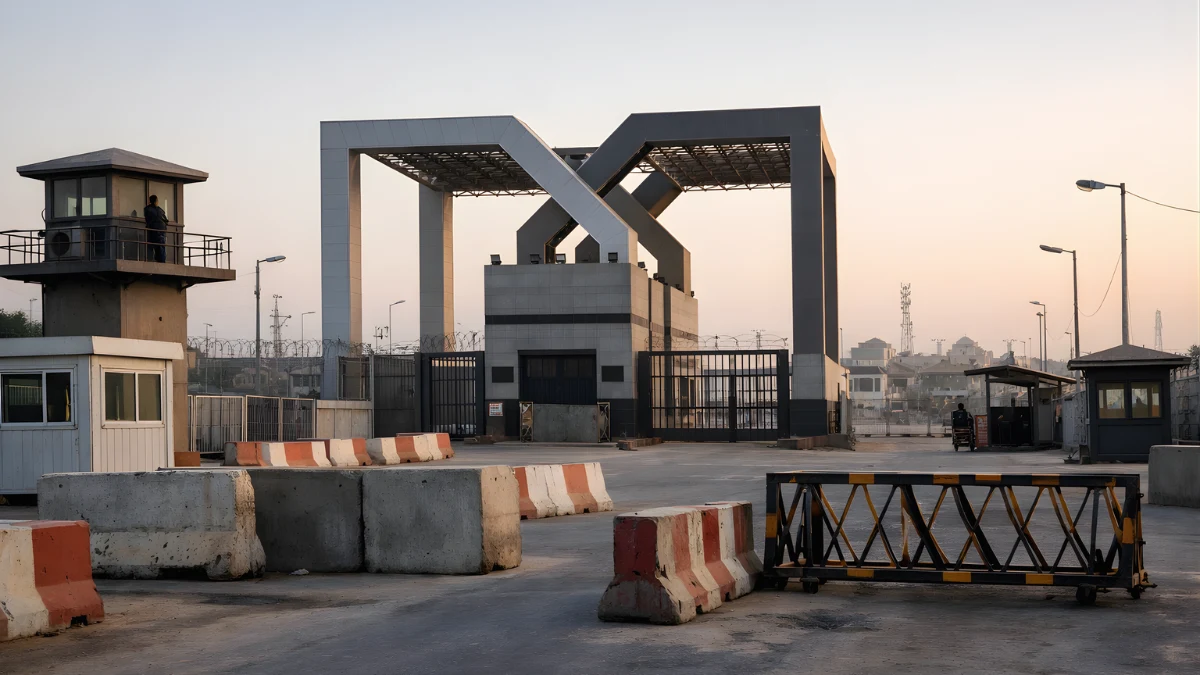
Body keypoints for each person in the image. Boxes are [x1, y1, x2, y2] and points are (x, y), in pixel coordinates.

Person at [144, 195, 168, 263]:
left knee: (152, 246)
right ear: (156, 201)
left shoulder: (147, 209)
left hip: (153, 230)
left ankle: (151, 259)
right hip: (161, 230)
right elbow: (166, 220)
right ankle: (161, 261)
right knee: (161, 246)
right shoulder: (160, 210)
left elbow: (148, 219)